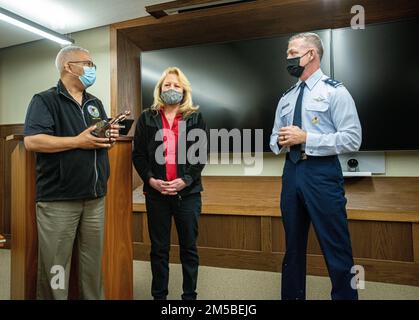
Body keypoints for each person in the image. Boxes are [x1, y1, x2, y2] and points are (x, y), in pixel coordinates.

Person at [270, 32, 362, 300]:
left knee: (336, 246)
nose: (287, 58)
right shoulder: (286, 97)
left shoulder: (335, 91)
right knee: (293, 248)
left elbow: (353, 138)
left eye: (292, 52)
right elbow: (274, 139)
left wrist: (307, 138)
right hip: (291, 172)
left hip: (322, 173)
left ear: (311, 54)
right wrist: (281, 140)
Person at [23, 45, 119, 300]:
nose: (92, 69)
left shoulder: (95, 103)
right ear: (68, 66)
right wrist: (77, 141)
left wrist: (110, 138)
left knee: (92, 267)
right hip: (59, 200)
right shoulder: (44, 100)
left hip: (95, 198)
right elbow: (33, 141)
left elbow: (96, 141)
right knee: (56, 267)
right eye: (88, 64)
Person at [133, 67, 207, 300]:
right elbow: (139, 155)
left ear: (184, 89)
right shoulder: (147, 117)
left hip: (188, 194)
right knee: (159, 249)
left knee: (188, 249)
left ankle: (189, 297)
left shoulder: (194, 116)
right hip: (157, 195)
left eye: (176, 85)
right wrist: (151, 180)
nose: (172, 89)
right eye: (167, 85)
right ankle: (159, 296)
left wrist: (185, 181)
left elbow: (200, 154)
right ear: (160, 89)